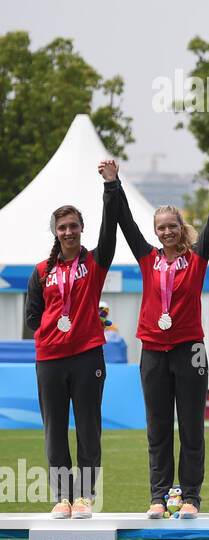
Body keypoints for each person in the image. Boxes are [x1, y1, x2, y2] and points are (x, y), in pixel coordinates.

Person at [115, 182, 209, 520]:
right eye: (161, 228)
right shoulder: (148, 258)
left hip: (190, 350)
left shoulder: (197, 258)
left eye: (172, 226)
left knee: (191, 427)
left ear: (181, 227)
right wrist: (113, 184)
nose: (167, 232)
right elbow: (126, 223)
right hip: (153, 351)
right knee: (158, 427)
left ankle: (190, 496)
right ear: (156, 231)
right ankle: (159, 496)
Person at [26, 160, 120, 519]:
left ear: (82, 229)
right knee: (54, 430)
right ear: (55, 232)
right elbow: (32, 316)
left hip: (87, 356)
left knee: (88, 427)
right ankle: (62, 496)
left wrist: (110, 185)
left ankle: (84, 495)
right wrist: (50, 334)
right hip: (49, 358)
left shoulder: (95, 262)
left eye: (74, 226)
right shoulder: (41, 271)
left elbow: (111, 229)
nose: (69, 232)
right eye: (63, 227)